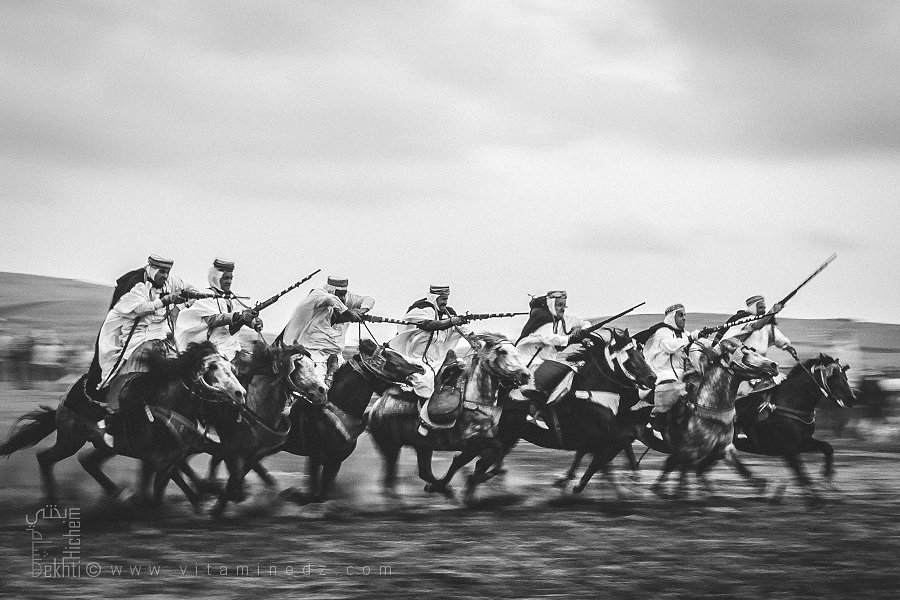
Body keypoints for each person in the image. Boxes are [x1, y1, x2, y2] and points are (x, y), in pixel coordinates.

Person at [85, 255, 193, 397]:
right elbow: (140, 308)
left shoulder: (171, 280)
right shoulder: (137, 284)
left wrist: (179, 306)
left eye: (167, 272)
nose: (165, 276)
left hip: (162, 336)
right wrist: (165, 301)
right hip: (137, 336)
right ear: (153, 269)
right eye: (162, 272)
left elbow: (190, 289)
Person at [511, 291, 590, 428]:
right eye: (559, 305)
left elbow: (584, 323)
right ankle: (535, 413)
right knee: (548, 379)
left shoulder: (564, 319)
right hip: (529, 361)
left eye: (564, 305)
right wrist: (570, 338)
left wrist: (582, 329)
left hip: (545, 360)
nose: (562, 308)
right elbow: (547, 338)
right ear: (551, 304)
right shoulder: (543, 317)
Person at [279, 276, 374, 384]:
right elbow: (330, 299)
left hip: (337, 356)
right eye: (340, 294)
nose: (343, 298)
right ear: (332, 290)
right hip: (313, 355)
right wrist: (348, 312)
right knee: (317, 386)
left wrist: (361, 311)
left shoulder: (347, 298)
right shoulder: (317, 295)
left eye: (344, 294)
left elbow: (369, 300)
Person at [387, 284, 472, 401]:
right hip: (414, 357)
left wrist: (476, 341)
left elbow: (464, 330)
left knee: (460, 369)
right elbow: (429, 325)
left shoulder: (449, 313)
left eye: (446, 299)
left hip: (437, 359)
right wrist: (451, 321)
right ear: (434, 297)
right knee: (424, 381)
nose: (445, 302)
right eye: (443, 299)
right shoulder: (422, 308)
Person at [174, 258, 262, 361]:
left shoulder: (235, 298)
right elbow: (213, 320)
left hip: (233, 349)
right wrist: (239, 316)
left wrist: (254, 322)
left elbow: (245, 317)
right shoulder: (205, 297)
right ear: (216, 278)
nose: (229, 282)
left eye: (230, 278)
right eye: (225, 278)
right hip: (211, 350)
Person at [637, 303, 699, 435]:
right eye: (680, 315)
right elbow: (670, 347)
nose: (684, 318)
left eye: (685, 315)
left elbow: (691, 352)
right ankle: (654, 423)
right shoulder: (662, 332)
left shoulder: (685, 334)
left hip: (681, 374)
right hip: (660, 374)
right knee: (672, 385)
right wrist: (690, 338)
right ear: (672, 317)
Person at [719, 295, 797, 395]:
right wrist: (772, 311)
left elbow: (779, 339)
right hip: (743, 367)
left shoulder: (768, 325)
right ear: (753, 308)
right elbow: (757, 326)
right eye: (760, 308)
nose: (763, 310)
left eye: (764, 308)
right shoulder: (745, 320)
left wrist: (788, 347)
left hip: (762, 366)